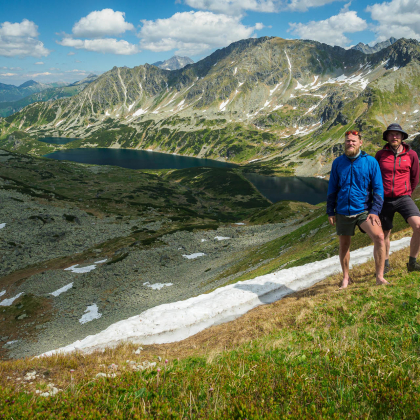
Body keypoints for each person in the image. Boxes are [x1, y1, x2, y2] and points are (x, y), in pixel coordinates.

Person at [327, 130, 387, 288]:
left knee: (379, 237)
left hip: (363, 211)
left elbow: (378, 189)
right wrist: (330, 211)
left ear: (361, 142)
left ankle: (379, 276)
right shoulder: (338, 163)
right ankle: (346, 277)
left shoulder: (371, 162)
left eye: (353, 141)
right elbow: (332, 188)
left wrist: (375, 211)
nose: (350, 143)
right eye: (347, 141)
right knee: (344, 245)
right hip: (342, 211)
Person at [375, 123, 420, 272]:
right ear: (387, 137)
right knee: (385, 233)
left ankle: (412, 263)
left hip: (403, 198)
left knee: (419, 227)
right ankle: (385, 265)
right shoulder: (380, 155)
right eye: (391, 134)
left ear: (402, 137)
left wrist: (408, 192)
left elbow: (415, 176)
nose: (394, 137)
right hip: (384, 199)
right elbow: (375, 177)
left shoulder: (411, 154)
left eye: (397, 134)